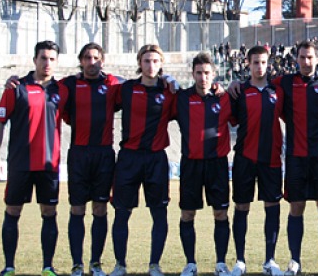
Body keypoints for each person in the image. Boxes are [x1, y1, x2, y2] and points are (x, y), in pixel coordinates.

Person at [230, 39, 318, 276]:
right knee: (296, 207)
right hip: (294, 156)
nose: (306, 61)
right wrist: (232, 84)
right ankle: (294, 260)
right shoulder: (283, 85)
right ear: (296, 59)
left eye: (310, 57)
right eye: (301, 57)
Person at [0, 40, 63, 276]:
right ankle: (9, 266)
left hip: (48, 164)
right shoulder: (16, 87)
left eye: (52, 59)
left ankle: (47, 267)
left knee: (49, 213)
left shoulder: (61, 90)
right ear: (35, 60)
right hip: (20, 163)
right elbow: (0, 123)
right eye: (43, 58)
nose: (47, 63)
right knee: (13, 211)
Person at [110, 44, 176, 276]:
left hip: (156, 159)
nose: (151, 65)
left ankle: (154, 265)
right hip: (128, 159)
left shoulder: (170, 92)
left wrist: (218, 88)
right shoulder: (125, 89)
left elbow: (195, 97)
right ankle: (120, 265)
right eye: (146, 61)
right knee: (121, 212)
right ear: (139, 62)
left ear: (161, 64)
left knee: (159, 213)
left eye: (156, 61)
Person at [61, 43, 121, 276]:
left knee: (100, 208)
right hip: (78, 153)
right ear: (81, 60)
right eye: (87, 57)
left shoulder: (112, 84)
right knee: (77, 209)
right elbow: (64, 112)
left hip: (104, 154)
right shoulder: (69, 84)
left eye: (96, 57)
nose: (92, 61)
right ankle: (77, 264)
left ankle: (95, 263)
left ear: (102, 60)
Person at [175, 52, 235, 276]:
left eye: (207, 73)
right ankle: (190, 263)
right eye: (199, 73)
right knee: (187, 214)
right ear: (193, 74)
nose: (203, 77)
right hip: (190, 165)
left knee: (220, 213)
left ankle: (221, 263)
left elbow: (239, 116)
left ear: (214, 74)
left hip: (217, 165)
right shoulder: (181, 98)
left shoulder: (224, 98)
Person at [228, 45, 285, 276]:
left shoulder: (278, 90)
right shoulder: (239, 91)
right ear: (248, 64)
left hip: (271, 159)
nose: (259, 67)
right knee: (241, 207)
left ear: (268, 63)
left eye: (263, 62)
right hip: (244, 158)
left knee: (272, 208)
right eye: (255, 62)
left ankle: (270, 260)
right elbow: (228, 119)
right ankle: (240, 260)